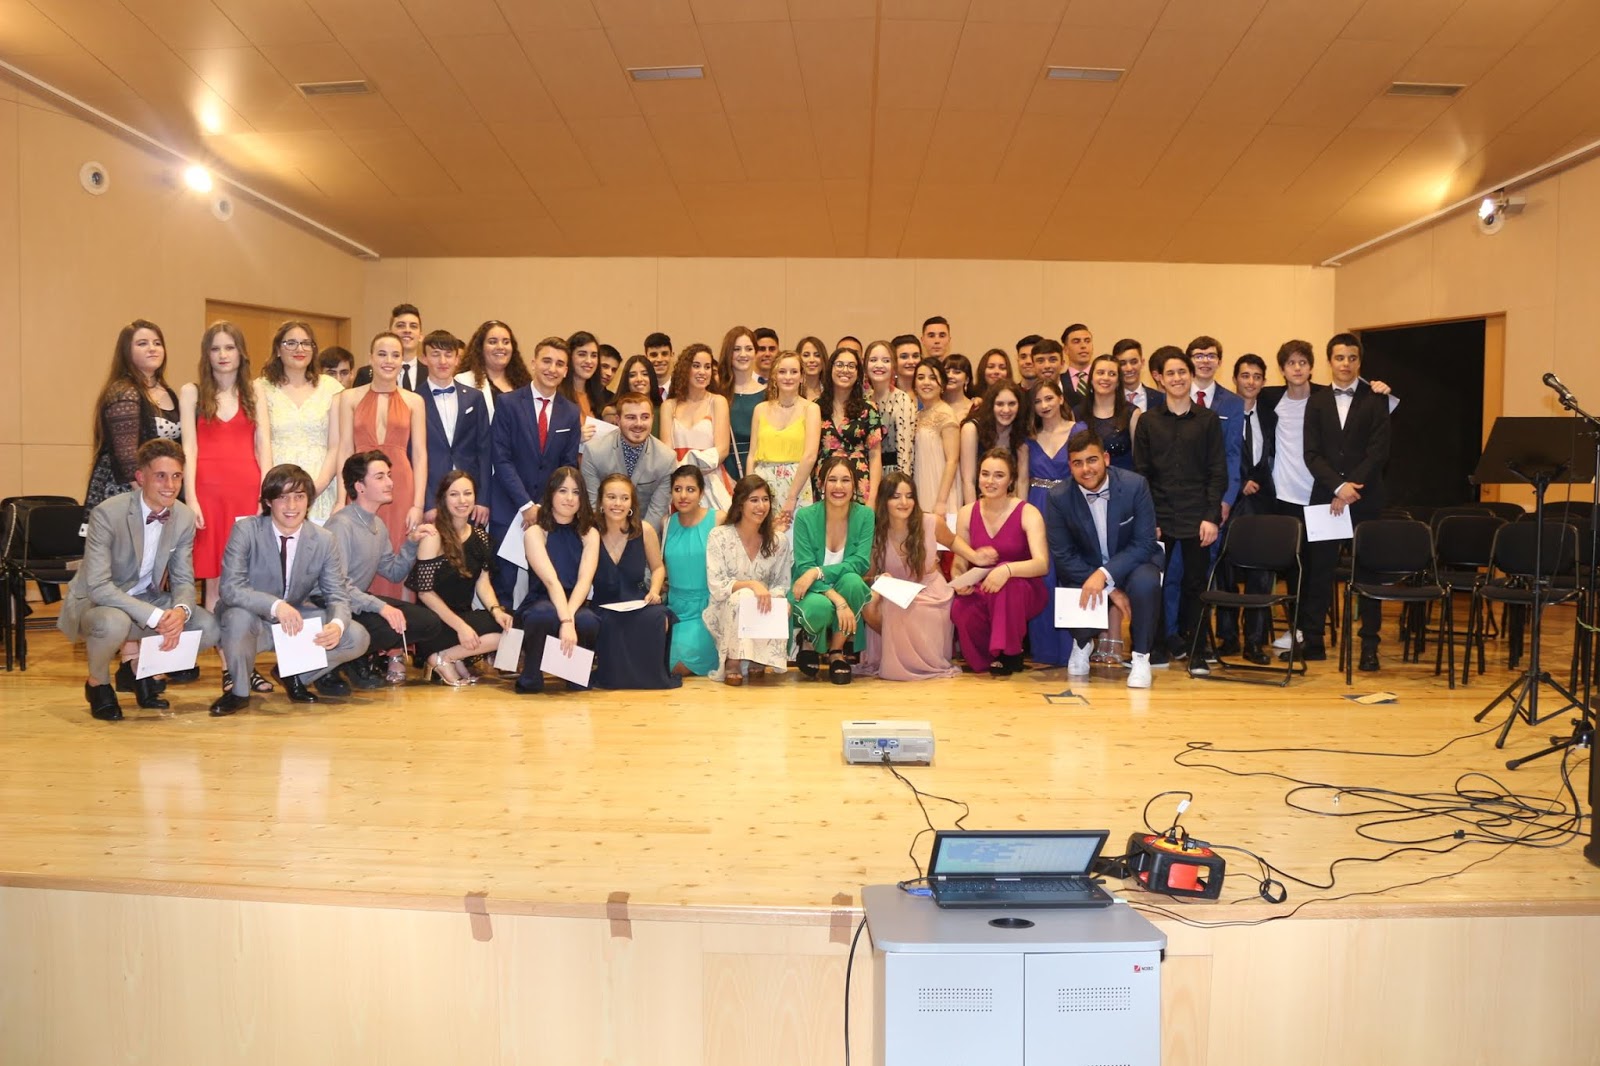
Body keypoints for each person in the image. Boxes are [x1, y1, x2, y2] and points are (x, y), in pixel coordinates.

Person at [60, 440, 221, 720]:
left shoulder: (184, 516)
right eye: (160, 476)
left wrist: (180, 611)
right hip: (99, 602)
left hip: (147, 597)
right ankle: (97, 683)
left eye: (176, 476)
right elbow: (99, 586)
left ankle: (140, 671)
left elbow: (183, 578)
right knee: (114, 623)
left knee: (207, 627)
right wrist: (156, 616)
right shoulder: (107, 513)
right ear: (141, 477)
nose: (170, 485)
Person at [210, 464, 370, 715]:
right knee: (236, 616)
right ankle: (238, 692)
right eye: (282, 497)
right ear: (268, 501)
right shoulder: (246, 530)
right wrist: (275, 606)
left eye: (299, 496)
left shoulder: (324, 539)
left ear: (309, 501)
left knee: (356, 636)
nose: (292, 506)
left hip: (294, 620)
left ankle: (295, 675)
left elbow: (337, 593)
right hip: (251, 621)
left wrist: (336, 625)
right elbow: (230, 588)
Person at [1046, 430, 1163, 690]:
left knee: (1147, 582)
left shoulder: (1135, 485)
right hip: (1086, 567)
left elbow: (1145, 543)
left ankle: (1141, 657)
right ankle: (1082, 643)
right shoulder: (1058, 498)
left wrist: (1104, 575)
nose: (1086, 469)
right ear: (1070, 467)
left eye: (1092, 460)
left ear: (1106, 459)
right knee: (1074, 580)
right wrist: (1110, 588)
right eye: (1077, 463)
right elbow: (1064, 555)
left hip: (1132, 562)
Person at [1133, 347, 1226, 670]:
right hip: (1159, 517)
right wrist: (1149, 519)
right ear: (1159, 378)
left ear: (1191, 375)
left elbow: (1217, 471)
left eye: (1182, 372)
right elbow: (1142, 474)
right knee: (1154, 583)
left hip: (1197, 516)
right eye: (1170, 373)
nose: (1177, 378)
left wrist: (1211, 517)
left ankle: (1197, 649)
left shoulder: (1208, 420)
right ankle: (1156, 647)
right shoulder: (1148, 421)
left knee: (1195, 586)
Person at [1305, 333, 1392, 673]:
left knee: (1368, 573)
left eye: (1352, 358)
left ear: (1359, 361)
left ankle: (1369, 646)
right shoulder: (1316, 401)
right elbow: (1311, 453)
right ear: (1330, 361)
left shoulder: (1376, 398)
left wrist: (1352, 486)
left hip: (1366, 498)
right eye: (1339, 357)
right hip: (1326, 497)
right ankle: (1313, 641)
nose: (1345, 363)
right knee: (1319, 571)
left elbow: (1379, 451)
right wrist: (1338, 486)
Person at [326, 451, 444, 687]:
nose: (390, 482)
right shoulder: (341, 524)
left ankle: (354, 657)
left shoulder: (377, 524)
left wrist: (412, 542)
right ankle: (338, 661)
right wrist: (381, 607)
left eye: (389, 475)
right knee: (389, 619)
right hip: (331, 604)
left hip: (356, 602)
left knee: (427, 622)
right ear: (359, 486)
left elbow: (393, 571)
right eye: (380, 477)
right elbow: (337, 587)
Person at [179, 321, 270, 614]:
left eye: (229, 347)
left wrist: (265, 495)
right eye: (215, 348)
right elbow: (189, 449)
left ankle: (240, 642)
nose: (222, 355)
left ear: (241, 352)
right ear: (206, 354)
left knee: (247, 573)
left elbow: (263, 445)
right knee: (214, 578)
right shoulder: (191, 392)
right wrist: (191, 499)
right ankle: (218, 643)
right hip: (207, 493)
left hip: (246, 490)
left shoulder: (255, 391)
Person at [489, 335, 581, 607]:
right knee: (503, 585)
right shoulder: (508, 403)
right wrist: (526, 505)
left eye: (559, 364)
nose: (552, 369)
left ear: (566, 370)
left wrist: (542, 506)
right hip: (509, 506)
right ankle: (502, 635)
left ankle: (535, 635)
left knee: (541, 587)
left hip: (548, 511)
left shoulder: (570, 412)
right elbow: (501, 458)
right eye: (546, 361)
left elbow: (567, 467)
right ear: (533, 363)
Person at [338, 331, 428, 599]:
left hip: (399, 485)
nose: (388, 361)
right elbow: (345, 449)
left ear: (402, 360)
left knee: (400, 548)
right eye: (382, 354)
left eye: (395, 355)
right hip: (361, 485)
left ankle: (400, 622)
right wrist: (341, 498)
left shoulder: (414, 401)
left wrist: (418, 505)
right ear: (370, 358)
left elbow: (420, 455)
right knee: (360, 551)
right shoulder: (349, 398)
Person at [403, 470, 512, 686]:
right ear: (443, 499)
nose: (462, 500)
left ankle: (451, 656)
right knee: (502, 635)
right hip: (435, 622)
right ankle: (440, 658)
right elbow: (424, 593)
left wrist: (496, 610)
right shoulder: (433, 536)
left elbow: (483, 583)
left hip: (464, 615)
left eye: (467, 493)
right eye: (454, 494)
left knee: (513, 626)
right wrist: (461, 627)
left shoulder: (480, 536)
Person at [949, 449, 1050, 676]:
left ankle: (1010, 653)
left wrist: (1007, 570)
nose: (990, 481)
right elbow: (959, 562)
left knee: (1006, 589)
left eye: (999, 475)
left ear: (1011, 480)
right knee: (961, 607)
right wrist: (958, 580)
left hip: (1022, 587)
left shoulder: (1028, 512)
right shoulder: (966, 513)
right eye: (985, 474)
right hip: (982, 585)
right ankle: (984, 657)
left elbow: (1042, 563)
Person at [858, 472, 963, 681]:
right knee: (876, 604)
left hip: (930, 591)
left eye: (909, 496)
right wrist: (878, 580)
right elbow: (867, 575)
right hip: (895, 591)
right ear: (884, 501)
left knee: (899, 606)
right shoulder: (876, 531)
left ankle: (915, 660)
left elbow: (953, 542)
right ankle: (895, 654)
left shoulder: (930, 522)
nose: (904, 502)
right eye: (896, 497)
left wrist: (975, 556)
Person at [514, 467, 600, 694]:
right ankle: (531, 676)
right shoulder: (535, 532)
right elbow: (551, 581)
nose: (570, 498)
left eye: (576, 492)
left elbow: (584, 581)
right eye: (563, 491)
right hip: (540, 599)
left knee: (588, 620)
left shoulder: (590, 533)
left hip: (575, 600)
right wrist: (566, 621)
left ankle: (575, 676)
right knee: (543, 614)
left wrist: (568, 618)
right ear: (551, 493)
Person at [591, 474, 680, 690]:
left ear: (632, 503)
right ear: (601, 501)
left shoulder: (644, 530)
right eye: (611, 497)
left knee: (658, 616)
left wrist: (655, 591)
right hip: (603, 603)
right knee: (607, 621)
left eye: (624, 498)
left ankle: (650, 676)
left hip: (637, 599)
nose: (618, 504)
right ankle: (614, 676)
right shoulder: (590, 532)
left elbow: (658, 568)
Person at [1213, 353, 1274, 663]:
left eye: (1257, 376)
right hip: (1230, 502)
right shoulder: (1221, 413)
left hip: (1262, 506)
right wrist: (1239, 485)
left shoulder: (1271, 415)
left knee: (1260, 577)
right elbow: (1219, 456)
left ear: (1264, 381)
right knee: (1225, 573)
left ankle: (1254, 641)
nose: (1251, 381)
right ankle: (1228, 638)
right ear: (1234, 379)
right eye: (1245, 375)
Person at [791, 456, 874, 685]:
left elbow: (860, 562)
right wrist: (837, 599)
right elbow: (804, 567)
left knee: (854, 582)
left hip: (834, 582)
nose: (839, 486)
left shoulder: (866, 515)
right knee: (820, 607)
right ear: (821, 484)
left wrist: (818, 572)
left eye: (845, 480)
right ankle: (810, 639)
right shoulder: (805, 517)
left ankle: (836, 651)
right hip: (810, 589)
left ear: (855, 485)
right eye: (832, 480)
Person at [85, 319, 182, 510]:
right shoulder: (124, 392)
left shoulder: (168, 392)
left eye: (157, 343)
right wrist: (149, 502)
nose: (152, 349)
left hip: (159, 490)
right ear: (126, 351)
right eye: (142, 343)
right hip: (128, 492)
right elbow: (128, 459)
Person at [704, 475, 792, 684]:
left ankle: (758, 657)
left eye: (765, 499)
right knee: (742, 596)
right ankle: (733, 660)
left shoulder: (779, 541)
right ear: (740, 503)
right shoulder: (719, 536)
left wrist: (775, 598)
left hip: (762, 607)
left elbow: (781, 583)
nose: (761, 506)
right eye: (754, 500)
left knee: (779, 602)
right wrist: (752, 585)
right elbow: (717, 585)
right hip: (725, 609)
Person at [257, 320, 342, 523]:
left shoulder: (331, 387)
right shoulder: (261, 387)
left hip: (321, 483)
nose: (299, 349)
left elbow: (336, 445)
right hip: (278, 485)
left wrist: (315, 488)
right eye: (291, 343)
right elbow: (262, 442)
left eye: (306, 343)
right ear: (278, 349)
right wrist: (271, 488)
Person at [1023, 378, 1082, 667]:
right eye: (1037, 401)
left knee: (1069, 576)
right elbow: (1022, 480)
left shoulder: (1079, 431)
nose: (1044, 405)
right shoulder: (1028, 438)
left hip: (1069, 506)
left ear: (1060, 398)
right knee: (1042, 577)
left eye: (1048, 398)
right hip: (1036, 505)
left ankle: (1075, 648)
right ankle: (1044, 650)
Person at [418, 328, 490, 526]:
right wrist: (427, 503)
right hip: (432, 491)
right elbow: (412, 456)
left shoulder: (475, 398)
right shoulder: (414, 399)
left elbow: (485, 451)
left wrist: (483, 499)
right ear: (424, 358)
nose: (443, 361)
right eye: (435, 354)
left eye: (448, 354)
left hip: (469, 494)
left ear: (457, 359)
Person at [582, 391, 678, 529]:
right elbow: (593, 506)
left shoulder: (667, 459)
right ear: (618, 420)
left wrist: (638, 538)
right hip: (603, 531)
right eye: (631, 417)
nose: (639, 424)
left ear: (652, 419)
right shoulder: (594, 452)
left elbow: (657, 512)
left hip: (645, 532)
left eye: (645, 417)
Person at [748, 352, 820, 532]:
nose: (788, 377)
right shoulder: (760, 409)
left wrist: (791, 497)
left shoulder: (811, 409)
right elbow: (752, 455)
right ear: (774, 375)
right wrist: (749, 491)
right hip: (762, 485)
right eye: (782, 372)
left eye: (794, 372)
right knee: (761, 539)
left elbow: (810, 456)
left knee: (795, 539)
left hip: (797, 485)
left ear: (802, 377)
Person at [659, 342, 734, 510]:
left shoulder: (718, 402)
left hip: (710, 483)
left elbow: (722, 450)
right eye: (696, 366)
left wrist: (693, 472)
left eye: (707, 367)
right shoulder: (669, 406)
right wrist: (683, 479)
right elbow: (666, 451)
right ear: (685, 369)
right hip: (678, 485)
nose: (703, 372)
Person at [662, 465, 721, 677]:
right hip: (674, 609)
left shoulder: (718, 519)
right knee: (663, 662)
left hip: (707, 609)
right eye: (677, 489)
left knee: (681, 664)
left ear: (701, 493)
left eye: (690, 489)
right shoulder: (666, 523)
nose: (683, 496)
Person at [1185, 335, 1244, 521]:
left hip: (1216, 493)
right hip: (1180, 494)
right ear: (1189, 361)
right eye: (1199, 356)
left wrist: (1227, 499)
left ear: (1219, 362)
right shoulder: (1174, 398)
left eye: (1211, 356)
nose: (1205, 361)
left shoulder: (1233, 403)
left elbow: (1233, 454)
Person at [815, 346, 883, 505]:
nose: (845, 370)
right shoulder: (815, 407)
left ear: (858, 373)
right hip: (824, 482)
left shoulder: (868, 409)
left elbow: (875, 456)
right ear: (830, 369)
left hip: (858, 483)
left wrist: (872, 499)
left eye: (851, 366)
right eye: (839, 365)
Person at [959, 380, 1030, 505]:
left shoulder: (1021, 431)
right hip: (978, 502)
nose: (1006, 410)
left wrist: (1019, 512)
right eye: (1000, 404)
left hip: (1008, 504)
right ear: (990, 405)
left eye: (1012, 404)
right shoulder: (972, 429)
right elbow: (968, 480)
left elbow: (1022, 481)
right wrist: (973, 513)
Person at [912, 359, 960, 518]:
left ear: (942, 384)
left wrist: (941, 501)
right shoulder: (917, 415)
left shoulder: (946, 414)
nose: (926, 382)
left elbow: (952, 460)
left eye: (933, 378)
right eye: (921, 377)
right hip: (921, 483)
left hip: (940, 490)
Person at [716, 325, 765, 482]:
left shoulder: (768, 394)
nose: (743, 354)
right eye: (736, 349)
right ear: (728, 353)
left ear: (755, 352)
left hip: (760, 468)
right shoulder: (717, 394)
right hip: (723, 469)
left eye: (749, 349)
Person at [1074, 354, 1139, 471]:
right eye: (1100, 373)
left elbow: (1139, 459)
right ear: (1091, 379)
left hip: (1123, 479)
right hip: (1087, 477)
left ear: (1118, 382)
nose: (1106, 378)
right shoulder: (1077, 413)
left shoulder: (1132, 413)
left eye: (1112, 374)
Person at [864, 339, 916, 480]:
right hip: (866, 474)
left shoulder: (902, 400)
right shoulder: (863, 400)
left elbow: (906, 453)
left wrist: (902, 485)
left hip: (892, 476)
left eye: (886, 360)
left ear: (893, 366)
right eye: (873, 360)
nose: (879, 365)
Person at [457, 319, 530, 421]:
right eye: (492, 342)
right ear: (480, 347)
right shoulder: (464, 381)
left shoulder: (524, 383)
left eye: (506, 342)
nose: (500, 347)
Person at [354, 303, 422, 389]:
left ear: (420, 335)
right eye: (401, 325)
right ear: (390, 332)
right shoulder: (366, 374)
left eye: (413, 326)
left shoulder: (431, 373)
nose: (407, 330)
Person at [563, 330, 610, 439]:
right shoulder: (557, 397)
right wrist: (575, 439)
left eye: (594, 355)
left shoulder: (598, 397)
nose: (589, 361)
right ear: (569, 357)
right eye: (582, 354)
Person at [1113, 338, 1162, 413]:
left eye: (1134, 362)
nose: (1129, 368)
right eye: (1122, 363)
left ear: (1142, 363)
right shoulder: (1109, 399)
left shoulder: (1160, 399)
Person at [1061, 323, 1094, 397]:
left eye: (1087, 341)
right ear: (1066, 349)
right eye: (1076, 342)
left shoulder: (1102, 378)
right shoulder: (1059, 381)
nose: (1083, 346)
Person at [942, 354, 976, 424]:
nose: (950, 376)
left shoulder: (975, 408)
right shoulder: (932, 404)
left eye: (957, 372)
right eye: (946, 372)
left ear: (967, 379)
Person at [796, 335, 828, 402]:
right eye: (806, 355)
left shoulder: (830, 392)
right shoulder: (791, 390)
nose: (812, 360)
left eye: (817, 355)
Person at [644, 331, 674, 397]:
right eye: (654, 355)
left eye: (664, 354)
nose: (659, 359)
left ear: (672, 355)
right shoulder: (640, 392)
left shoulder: (683, 390)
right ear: (646, 358)